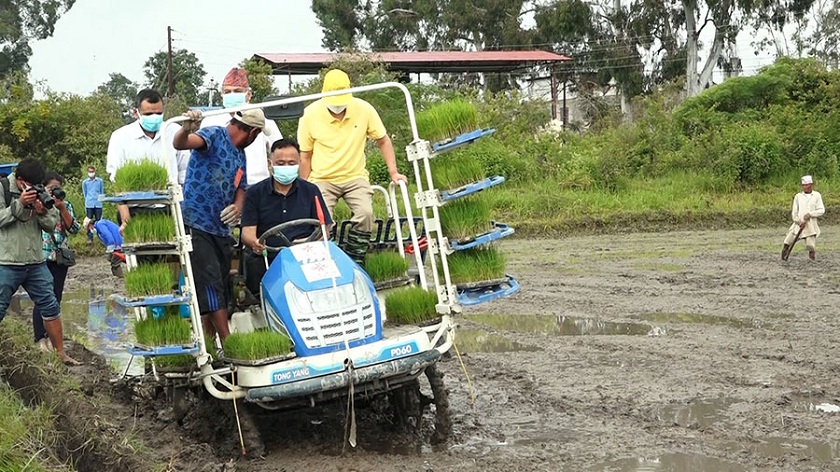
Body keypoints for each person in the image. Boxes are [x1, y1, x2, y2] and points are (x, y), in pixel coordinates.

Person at [297, 68, 407, 266]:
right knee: (320, 221)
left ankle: (354, 259)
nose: (338, 107)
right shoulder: (310, 115)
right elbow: (306, 156)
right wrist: (302, 187)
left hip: (355, 176)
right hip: (322, 178)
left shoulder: (364, 109)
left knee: (366, 214)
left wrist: (393, 172)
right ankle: (327, 262)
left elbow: (383, 140)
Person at [173, 107, 266, 342]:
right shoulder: (213, 135)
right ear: (252, 132)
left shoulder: (239, 154)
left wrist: (237, 205)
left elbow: (241, 186)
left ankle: (211, 344)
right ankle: (228, 341)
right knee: (210, 281)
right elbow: (181, 143)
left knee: (221, 283)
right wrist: (186, 128)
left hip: (221, 228)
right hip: (197, 223)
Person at [0, 158, 78, 365]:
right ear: (19, 180)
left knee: (50, 305)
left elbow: (52, 224)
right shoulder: (2, 188)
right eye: (28, 184)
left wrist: (40, 211)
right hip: (7, 261)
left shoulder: (40, 191)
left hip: (35, 261)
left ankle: (60, 353)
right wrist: (20, 204)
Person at [241, 138, 332, 295]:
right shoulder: (254, 193)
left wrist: (307, 244)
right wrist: (255, 244)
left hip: (306, 255)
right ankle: (259, 303)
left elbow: (325, 230)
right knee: (254, 264)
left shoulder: (311, 191)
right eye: (281, 163)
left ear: (298, 164)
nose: (286, 167)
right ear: (271, 164)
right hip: (269, 255)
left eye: (291, 163)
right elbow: (247, 233)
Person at [105, 88, 190, 233]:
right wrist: (126, 219)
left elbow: (185, 173)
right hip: (135, 210)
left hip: (172, 207)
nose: (154, 117)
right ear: (135, 113)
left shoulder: (174, 131)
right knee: (142, 253)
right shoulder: (120, 137)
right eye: (148, 114)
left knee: (179, 252)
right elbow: (117, 181)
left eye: (158, 113)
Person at [199, 67, 283, 185]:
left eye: (237, 91)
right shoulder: (210, 121)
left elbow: (280, 151)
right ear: (222, 95)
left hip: (257, 185)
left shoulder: (264, 120)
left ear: (248, 94)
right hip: (221, 186)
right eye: (227, 92)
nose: (232, 95)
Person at [33, 171, 81, 351]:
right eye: (51, 188)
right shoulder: (37, 204)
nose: (54, 192)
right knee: (42, 298)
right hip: (41, 256)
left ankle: (53, 339)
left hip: (59, 258)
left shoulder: (65, 204)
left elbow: (74, 228)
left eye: (58, 188)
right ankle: (40, 337)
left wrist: (62, 208)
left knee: (56, 297)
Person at [782, 175, 826, 261]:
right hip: (798, 225)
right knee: (787, 242)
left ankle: (812, 261)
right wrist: (798, 221)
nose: (804, 187)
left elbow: (821, 210)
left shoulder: (816, 195)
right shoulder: (798, 196)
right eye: (803, 185)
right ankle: (783, 260)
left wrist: (811, 214)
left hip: (810, 226)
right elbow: (794, 212)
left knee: (811, 246)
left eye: (806, 185)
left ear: (811, 185)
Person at [81, 165, 104, 244]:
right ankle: (89, 237)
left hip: (98, 203)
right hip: (89, 203)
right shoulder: (85, 182)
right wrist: (86, 202)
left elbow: (101, 192)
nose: (91, 173)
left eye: (92, 172)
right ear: (88, 172)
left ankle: (101, 237)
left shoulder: (100, 181)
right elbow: (85, 193)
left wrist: (101, 201)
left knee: (99, 221)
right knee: (88, 221)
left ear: (95, 172)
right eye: (89, 172)